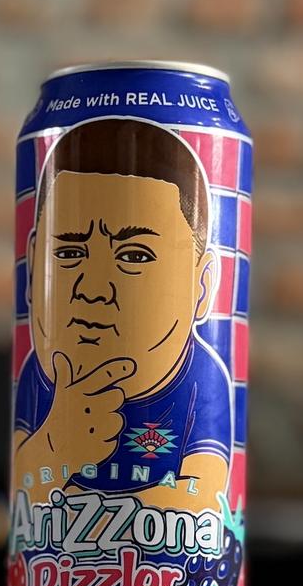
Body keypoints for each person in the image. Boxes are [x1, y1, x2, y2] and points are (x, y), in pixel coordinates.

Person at [13, 118, 232, 509]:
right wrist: (52, 446)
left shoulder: (202, 379)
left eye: (134, 256)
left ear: (202, 286)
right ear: (33, 270)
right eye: (69, 252)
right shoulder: (41, 374)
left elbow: (206, 497)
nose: (93, 289)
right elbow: (24, 486)